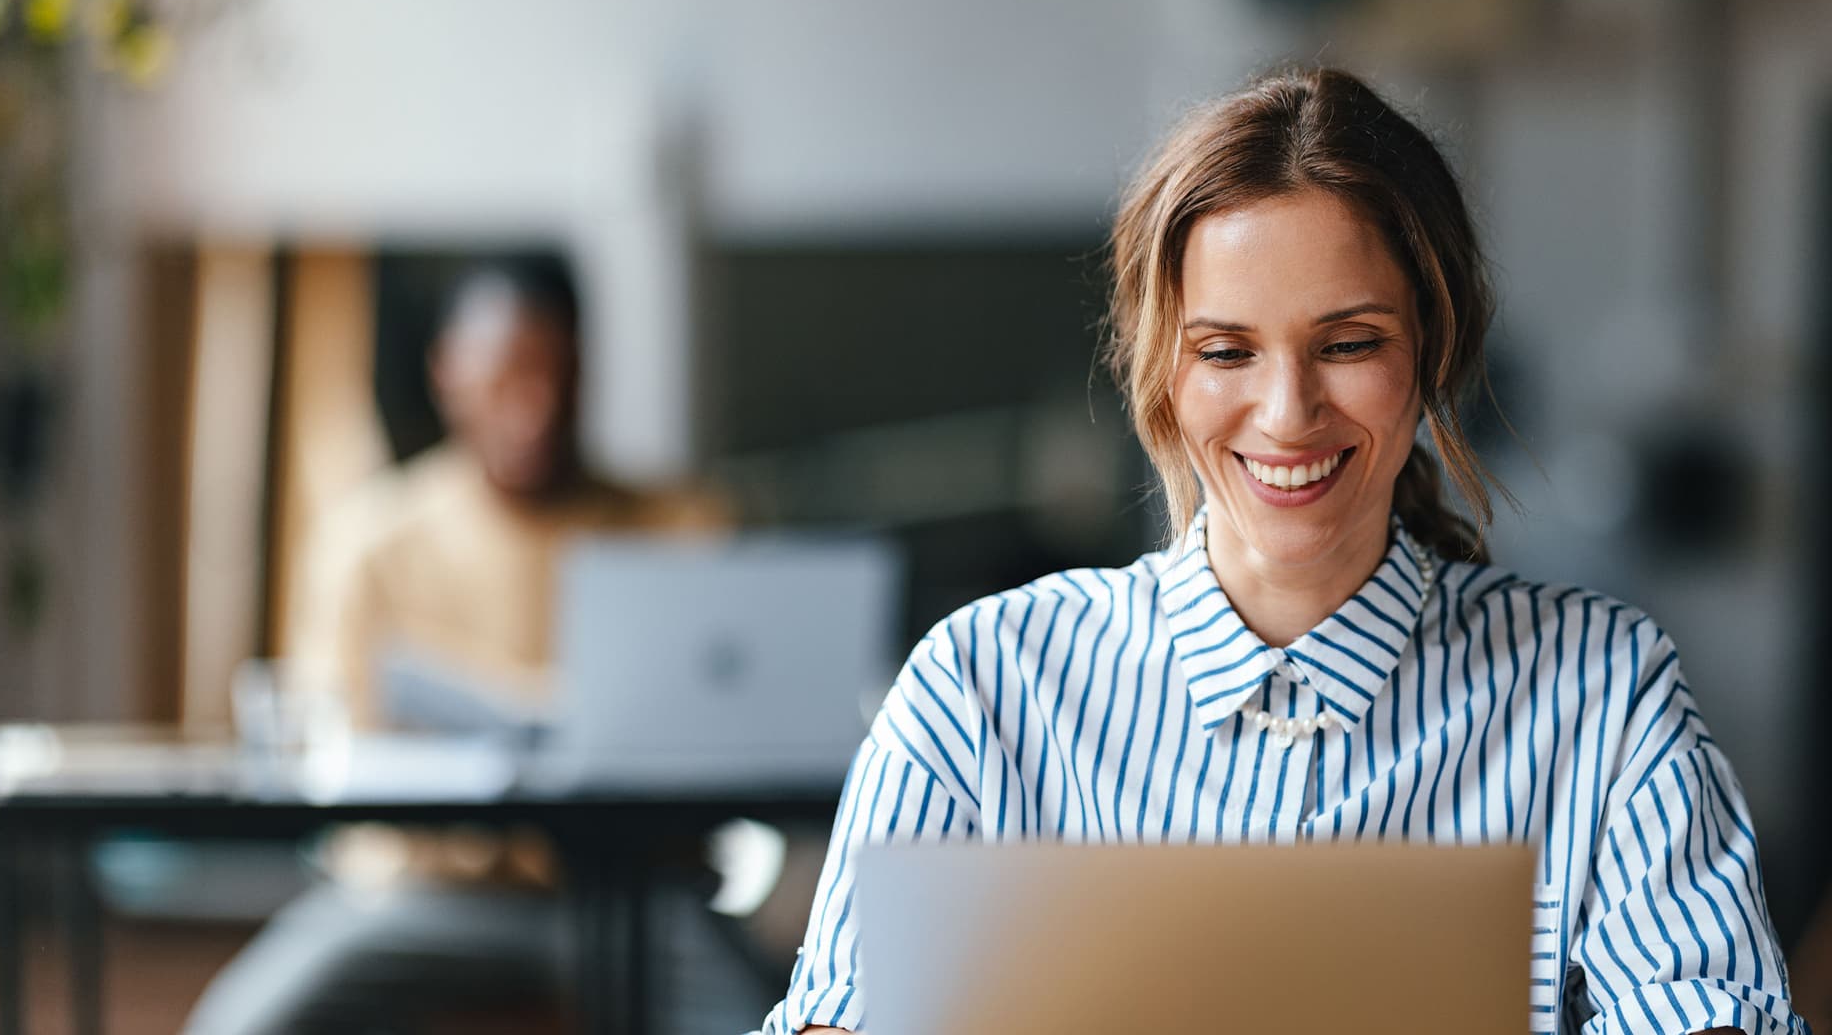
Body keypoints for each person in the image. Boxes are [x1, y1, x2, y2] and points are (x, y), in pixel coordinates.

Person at [760, 68, 1802, 1035]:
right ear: (1161, 372)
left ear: (1431, 348)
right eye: (1226, 352)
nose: (1288, 411)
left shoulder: (1603, 699)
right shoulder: (982, 688)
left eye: (1348, 344)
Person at [185, 256, 728, 1034]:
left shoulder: (680, 529)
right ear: (448, 376)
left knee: (792, 1014)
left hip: (636, 899)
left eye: (557, 376)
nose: (534, 409)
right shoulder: (369, 543)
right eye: (507, 380)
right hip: (416, 904)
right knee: (237, 1025)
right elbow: (343, 757)